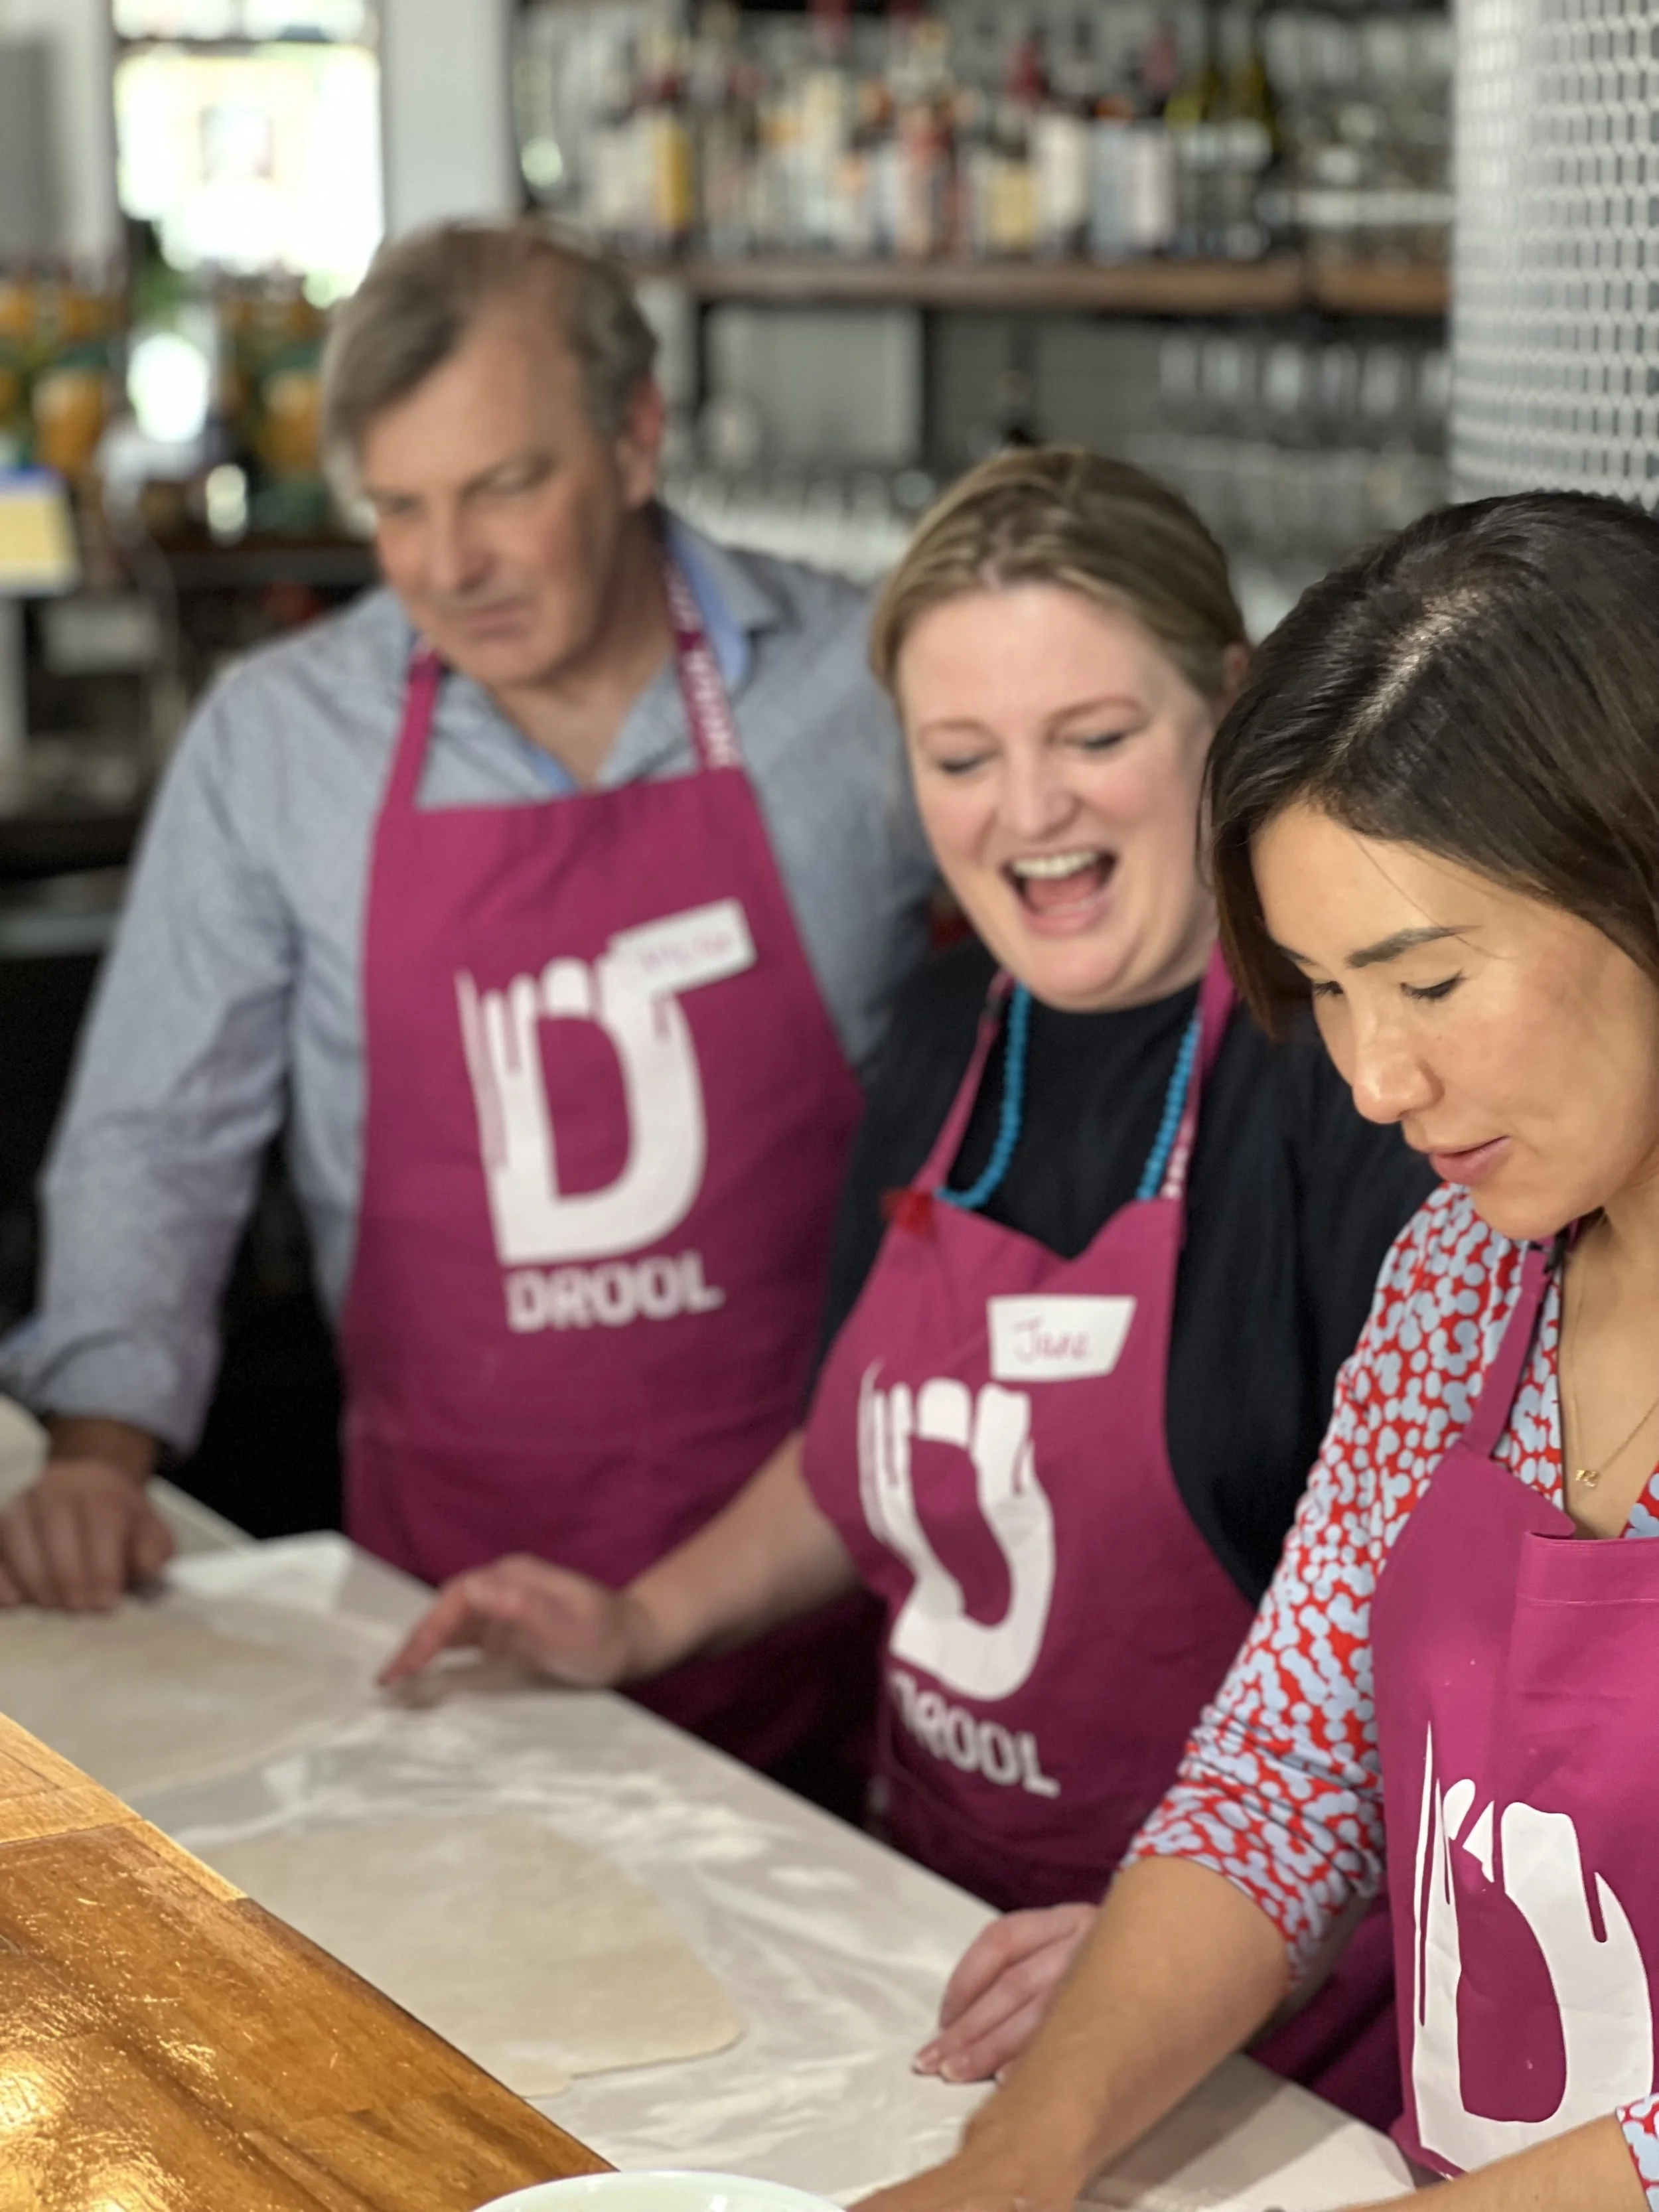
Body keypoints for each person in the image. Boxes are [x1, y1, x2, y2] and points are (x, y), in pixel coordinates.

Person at [382, 449, 1433, 2124]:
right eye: (961, 756)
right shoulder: (947, 1033)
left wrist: (1190, 1946)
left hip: (1266, 2056)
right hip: (927, 1940)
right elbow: (860, 1446)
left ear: (1229, 709)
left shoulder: (1353, 1085)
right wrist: (640, 1619)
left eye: (1092, 737)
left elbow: (1444, 1656)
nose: (1029, 811)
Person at [0, 220, 937, 1790]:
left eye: (502, 487)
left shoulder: (867, 690)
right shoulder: (281, 740)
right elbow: (160, 1130)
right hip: (443, 1619)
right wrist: (100, 1445)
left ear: (634, 439)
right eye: (399, 509)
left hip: (842, 1602)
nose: (449, 565)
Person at [865, 488, 1659, 2212]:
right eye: (1325, 991)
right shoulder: (1461, 1282)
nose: (1371, 1081)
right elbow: (1284, 1778)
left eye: (1425, 983)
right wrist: (1015, 2161)